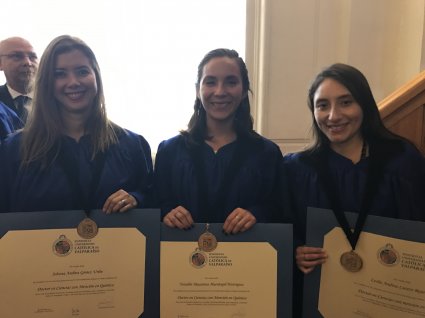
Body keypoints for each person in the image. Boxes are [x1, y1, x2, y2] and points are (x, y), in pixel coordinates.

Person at [281, 63, 425, 316]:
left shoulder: (402, 161)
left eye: (346, 102)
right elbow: (284, 223)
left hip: (388, 297)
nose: (333, 116)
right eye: (322, 105)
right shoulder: (297, 169)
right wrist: (296, 250)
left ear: (364, 105)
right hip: (321, 300)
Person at [0, 35, 153, 213]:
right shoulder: (14, 150)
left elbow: (152, 199)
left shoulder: (132, 145)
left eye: (82, 71)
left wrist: (136, 199)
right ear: (46, 83)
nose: (73, 82)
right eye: (60, 74)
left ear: (96, 76)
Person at [154, 48, 282, 234]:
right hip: (182, 260)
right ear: (198, 90)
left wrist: (257, 214)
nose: (220, 91)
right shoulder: (170, 151)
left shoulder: (267, 154)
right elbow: (156, 203)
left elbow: (280, 210)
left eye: (231, 82)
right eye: (211, 82)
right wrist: (167, 213)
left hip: (247, 260)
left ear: (244, 90)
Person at [0, 37, 38, 122]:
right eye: (17, 56)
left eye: (32, 57)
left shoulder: (55, 97)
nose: (28, 62)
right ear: (0, 63)